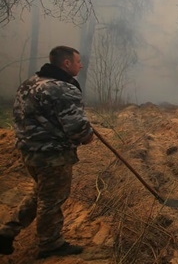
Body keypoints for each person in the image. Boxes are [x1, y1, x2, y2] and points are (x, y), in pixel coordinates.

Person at [0, 46, 94, 259]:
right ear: (66, 63)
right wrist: (87, 135)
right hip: (53, 156)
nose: (81, 65)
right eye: (78, 61)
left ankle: (8, 231)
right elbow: (77, 127)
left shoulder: (30, 83)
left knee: (39, 194)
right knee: (51, 200)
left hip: (29, 152)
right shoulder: (62, 88)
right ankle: (50, 243)